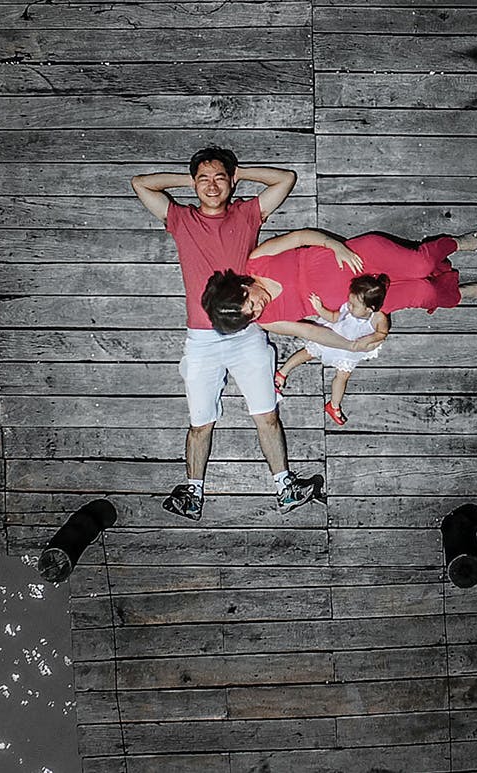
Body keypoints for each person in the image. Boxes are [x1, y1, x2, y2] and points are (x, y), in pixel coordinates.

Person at [131, 147, 360, 520]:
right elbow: (140, 183)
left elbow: (285, 179)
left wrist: (236, 173)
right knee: (200, 422)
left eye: (219, 178)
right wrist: (194, 178)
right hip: (202, 340)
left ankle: (286, 489)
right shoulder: (181, 219)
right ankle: (193, 494)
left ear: (231, 181)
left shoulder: (248, 213)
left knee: (266, 414)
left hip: (247, 333)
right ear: (194, 184)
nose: (212, 186)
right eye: (204, 180)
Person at [200, 230, 477, 420]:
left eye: (251, 303)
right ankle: (461, 293)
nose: (258, 308)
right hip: (359, 302)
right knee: (425, 293)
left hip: (358, 258)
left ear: (242, 287)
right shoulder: (268, 320)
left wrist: (335, 246)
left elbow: (300, 237)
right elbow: (311, 331)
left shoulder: (258, 260)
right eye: (252, 315)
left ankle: (459, 243)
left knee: (421, 265)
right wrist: (351, 345)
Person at [273, 273, 391, 426]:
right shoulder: (349, 307)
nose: (349, 306)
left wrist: (368, 340)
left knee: (342, 376)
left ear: (370, 309)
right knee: (309, 352)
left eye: (354, 306)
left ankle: (334, 405)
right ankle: (282, 372)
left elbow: (382, 333)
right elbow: (334, 317)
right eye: (349, 301)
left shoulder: (379, 318)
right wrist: (320, 309)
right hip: (332, 335)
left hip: (351, 350)